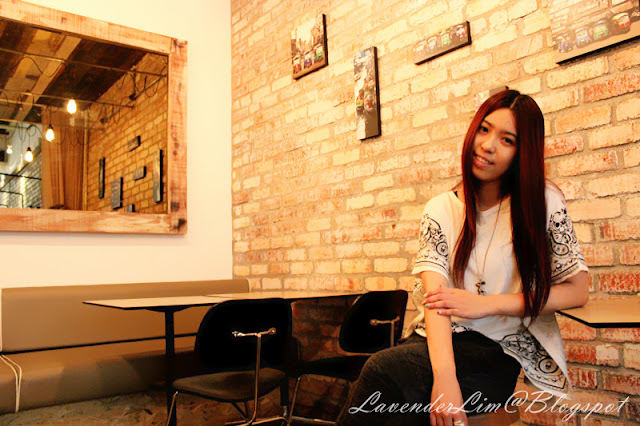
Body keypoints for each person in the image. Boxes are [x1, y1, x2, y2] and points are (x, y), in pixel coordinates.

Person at [336, 90, 589, 426]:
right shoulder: (441, 209)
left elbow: (577, 291)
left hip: (495, 351)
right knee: (390, 390)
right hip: (432, 342)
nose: (487, 145)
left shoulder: (542, 202)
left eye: (507, 140)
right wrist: (445, 379)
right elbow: (435, 300)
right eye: (484, 129)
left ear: (523, 152)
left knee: (383, 376)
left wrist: (486, 304)